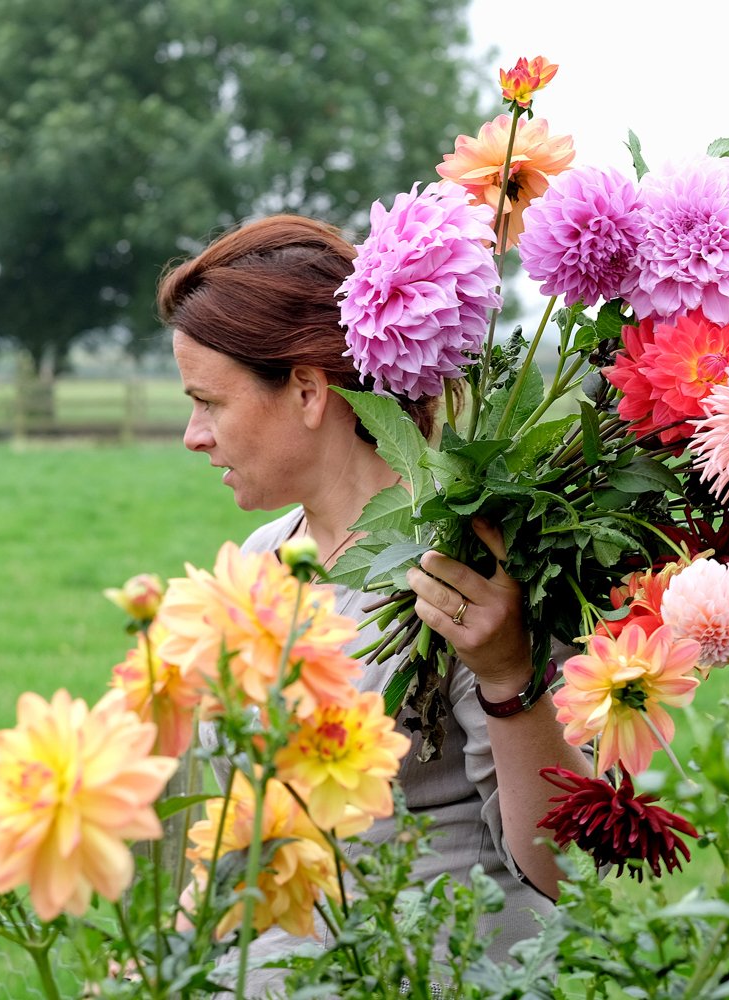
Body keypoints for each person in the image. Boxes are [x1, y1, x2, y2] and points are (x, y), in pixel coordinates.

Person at [156, 214, 594, 989]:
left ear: (304, 390)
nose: (193, 435)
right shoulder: (264, 564)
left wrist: (505, 674)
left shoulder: (464, 565)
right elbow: (240, 830)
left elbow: (566, 872)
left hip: (435, 969)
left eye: (209, 402)